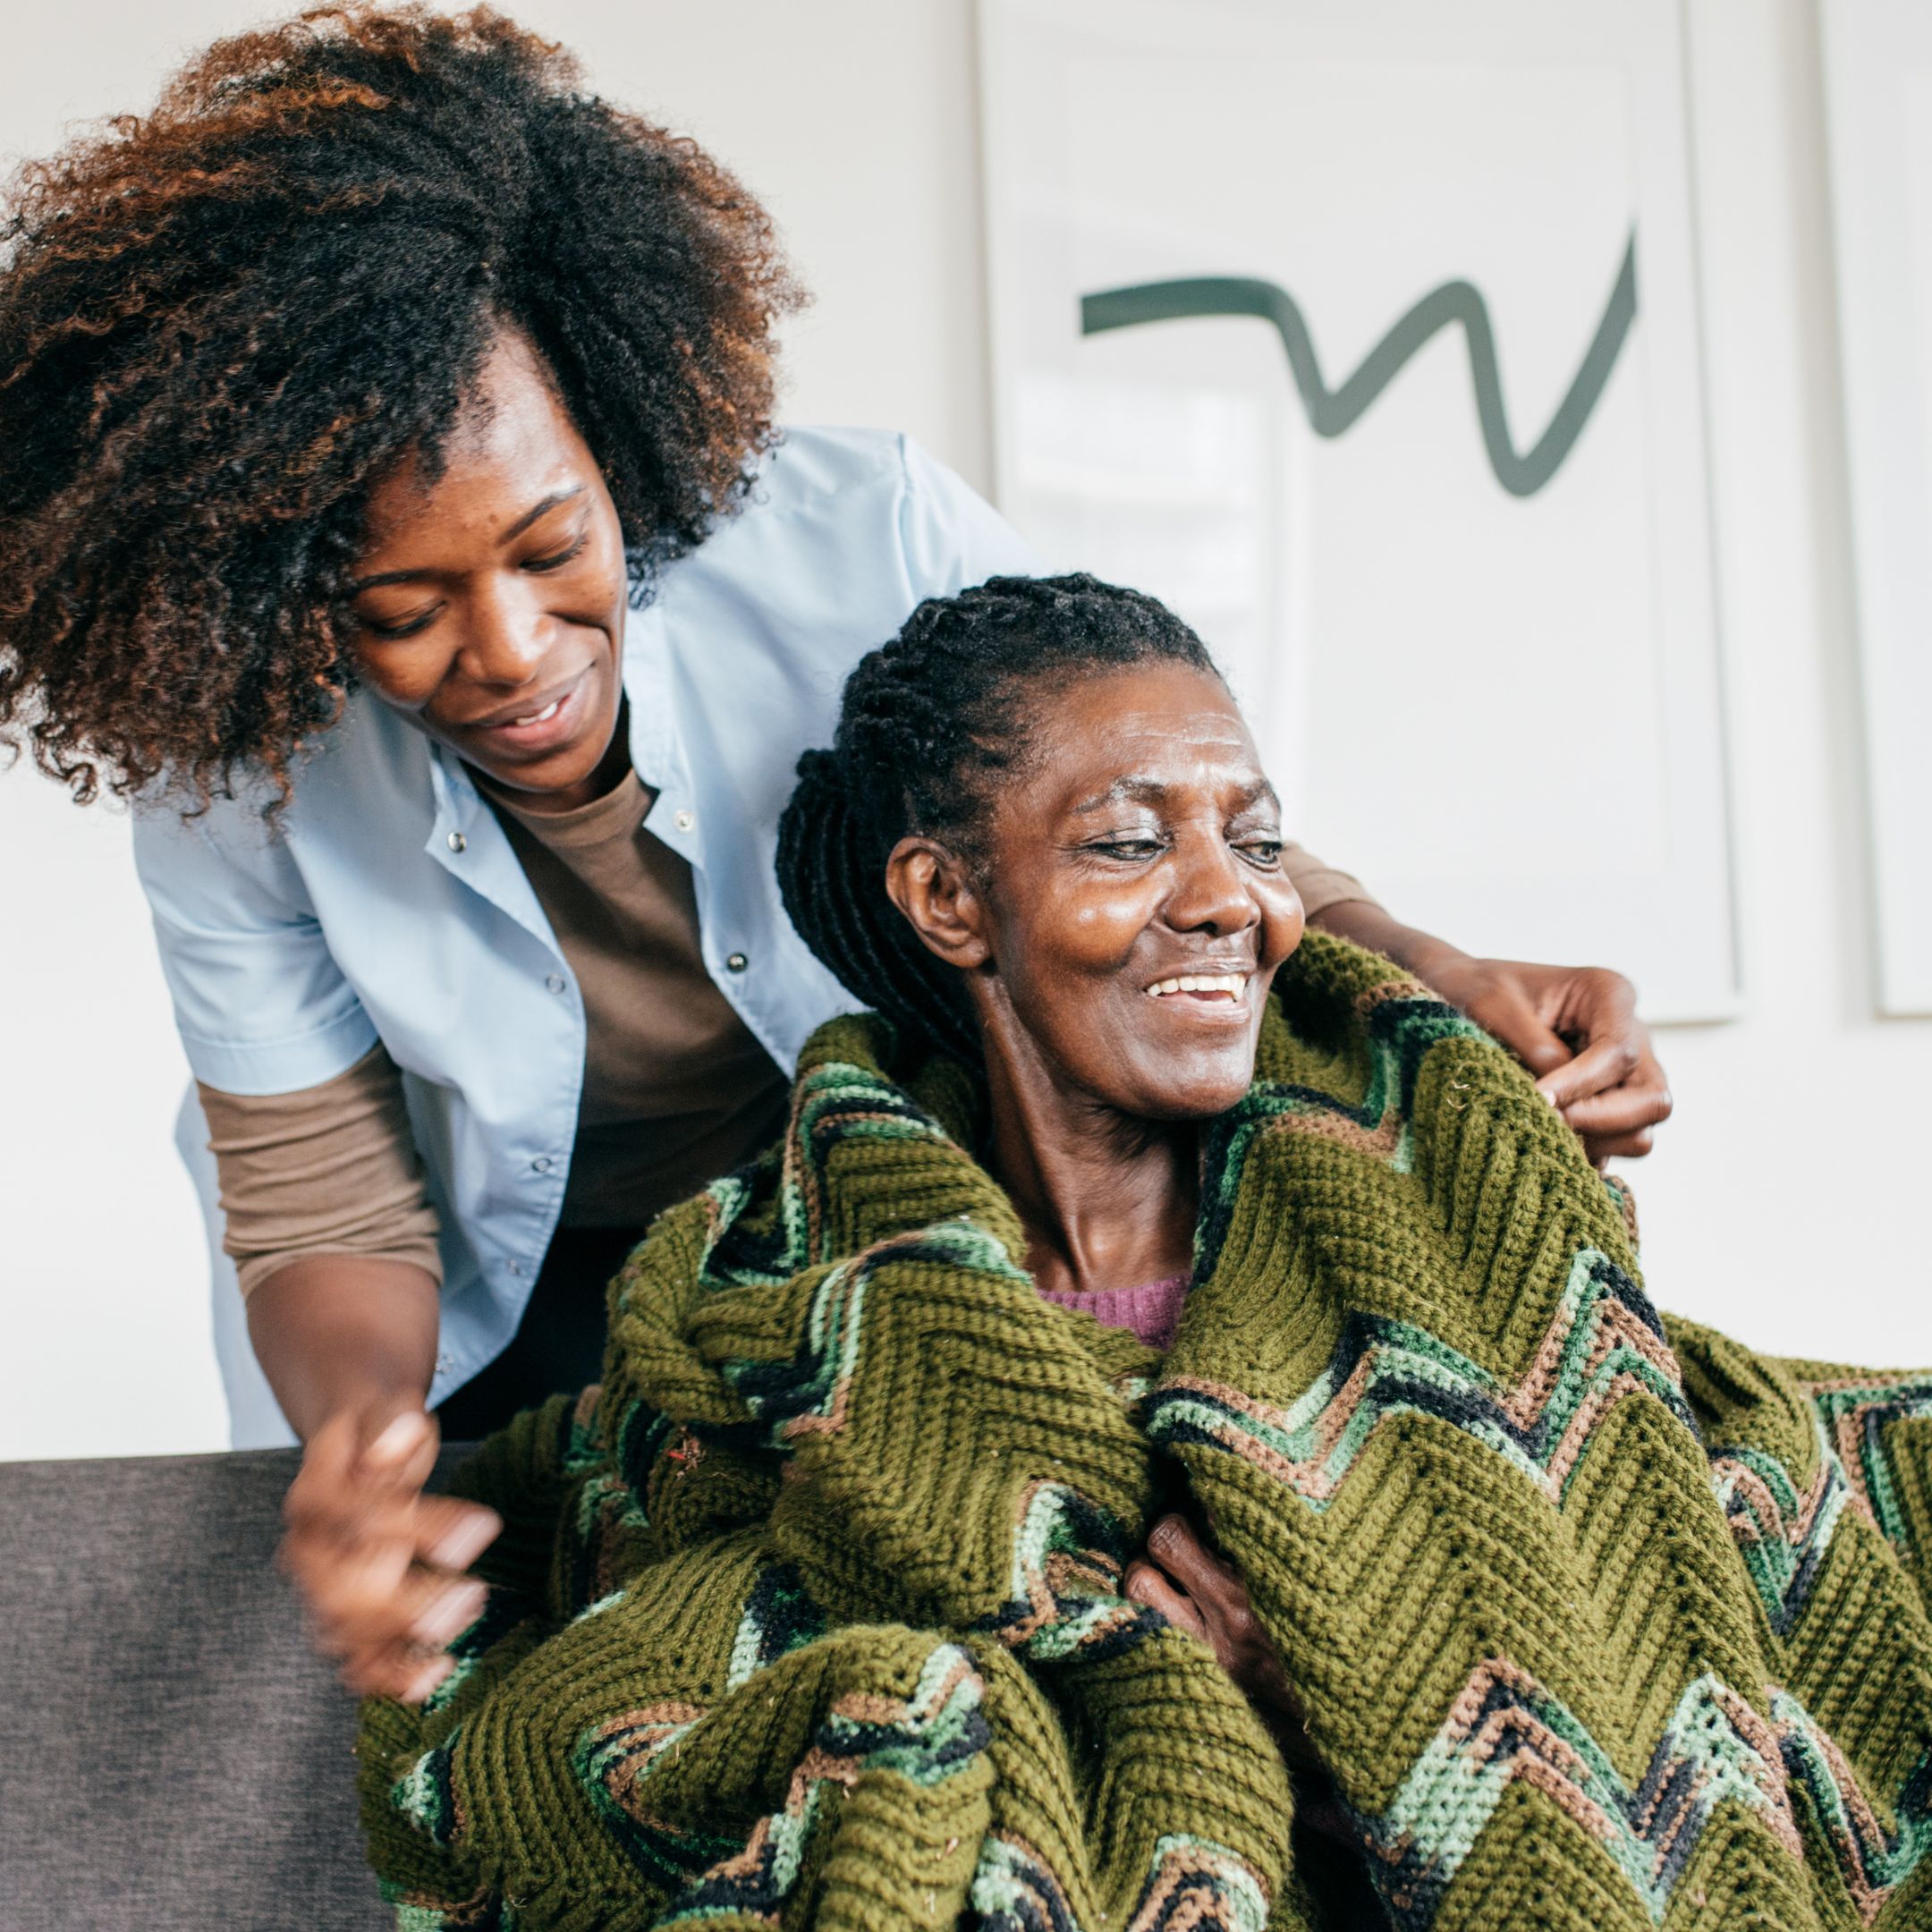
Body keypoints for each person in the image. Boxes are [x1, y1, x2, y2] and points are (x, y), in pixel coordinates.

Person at [0, 5, 1666, 1699]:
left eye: (551, 546)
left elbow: (1151, 810)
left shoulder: (865, 536)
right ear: (279, 602)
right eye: (401, 611)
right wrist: (365, 1441)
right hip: (525, 1289)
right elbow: (319, 1192)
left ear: (612, 433)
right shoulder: (238, 767)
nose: (504, 651)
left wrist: (1433, 965)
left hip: (866, 1220)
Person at [353, 575, 1932, 1931]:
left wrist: (1346, 1686)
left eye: (1252, 841)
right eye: (1124, 842)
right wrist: (1121, 1679)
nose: (1224, 902)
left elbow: (1645, 1565)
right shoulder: (789, 1306)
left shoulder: (1444, 1213)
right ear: (948, 899)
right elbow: (664, 1679)